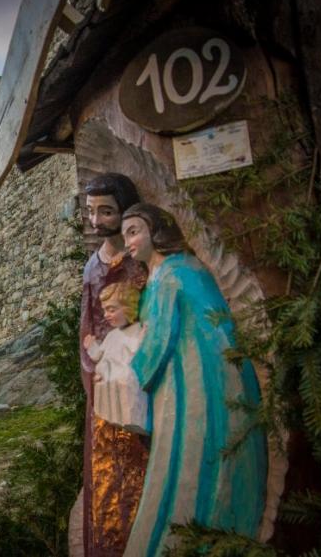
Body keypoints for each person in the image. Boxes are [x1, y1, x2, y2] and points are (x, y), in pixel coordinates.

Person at [121, 203, 267, 555]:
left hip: (200, 382)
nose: (128, 241)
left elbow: (159, 340)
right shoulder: (167, 272)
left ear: (156, 231)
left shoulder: (173, 273)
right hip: (187, 376)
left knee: (189, 457)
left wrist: (126, 376)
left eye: (134, 231)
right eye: (126, 234)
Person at [77, 173, 149, 556]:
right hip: (103, 379)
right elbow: (87, 323)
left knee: (136, 464)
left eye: (106, 211)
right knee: (103, 470)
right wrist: (91, 367)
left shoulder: (138, 261)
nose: (96, 220)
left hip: (134, 374)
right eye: (91, 211)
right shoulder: (93, 265)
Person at [83, 282, 149, 435]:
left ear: (128, 309)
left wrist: (144, 337)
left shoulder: (134, 330)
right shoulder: (112, 335)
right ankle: (113, 412)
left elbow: (138, 351)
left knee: (124, 379)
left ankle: (129, 416)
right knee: (104, 380)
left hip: (123, 375)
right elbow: (99, 354)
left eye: (111, 310)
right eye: (105, 310)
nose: (106, 315)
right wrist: (92, 347)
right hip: (107, 379)